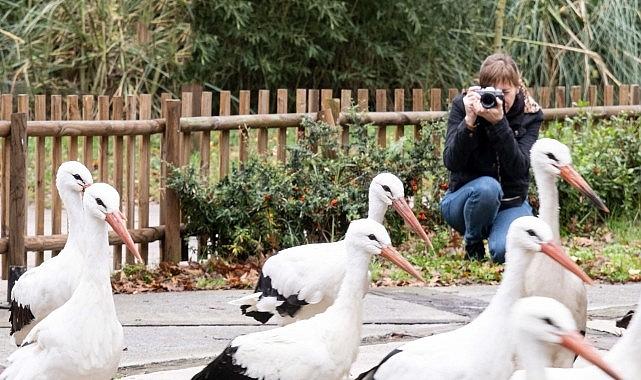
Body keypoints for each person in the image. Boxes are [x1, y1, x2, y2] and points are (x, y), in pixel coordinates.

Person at [440, 53, 543, 263]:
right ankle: (473, 243)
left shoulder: (530, 114)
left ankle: (496, 236)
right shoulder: (465, 105)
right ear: (482, 89)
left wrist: (499, 125)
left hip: (511, 203)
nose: (498, 99)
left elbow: (521, 167)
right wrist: (469, 122)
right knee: (488, 188)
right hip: (465, 201)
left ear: (517, 86)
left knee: (505, 252)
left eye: (505, 92)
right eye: (493, 92)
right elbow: (451, 161)